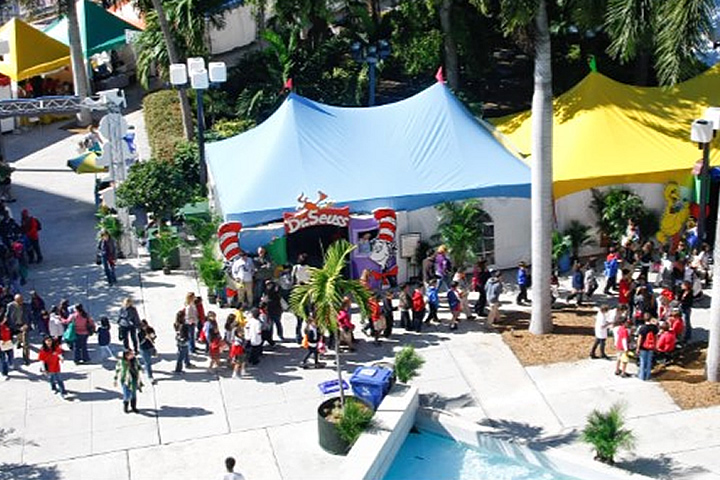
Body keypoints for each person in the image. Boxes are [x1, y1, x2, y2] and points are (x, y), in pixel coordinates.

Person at [114, 349, 143, 413]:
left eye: (133, 354)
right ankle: (125, 407)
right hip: (125, 380)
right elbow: (117, 370)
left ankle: (134, 407)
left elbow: (138, 366)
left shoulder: (135, 360)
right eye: (131, 354)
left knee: (133, 394)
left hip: (134, 379)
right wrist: (115, 379)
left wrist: (140, 369)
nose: (133, 355)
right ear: (126, 355)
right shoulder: (121, 362)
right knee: (126, 395)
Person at [138, 319, 157, 384]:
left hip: (150, 347)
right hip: (144, 349)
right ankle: (150, 376)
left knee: (147, 361)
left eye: (145, 325)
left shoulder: (150, 329)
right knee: (148, 362)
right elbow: (140, 342)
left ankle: (144, 368)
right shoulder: (140, 333)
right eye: (143, 326)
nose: (144, 327)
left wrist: (152, 336)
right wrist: (145, 338)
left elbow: (154, 337)